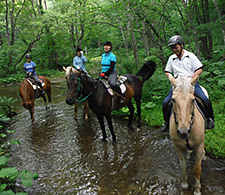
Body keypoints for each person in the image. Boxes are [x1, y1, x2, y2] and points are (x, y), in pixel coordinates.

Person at [160, 35, 214, 132]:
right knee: (165, 103)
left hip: (190, 84)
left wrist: (191, 79)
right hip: (177, 85)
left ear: (182, 45)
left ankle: (210, 119)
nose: (174, 50)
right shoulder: (171, 58)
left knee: (205, 99)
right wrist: (170, 77)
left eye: (176, 47)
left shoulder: (190, 56)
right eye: (172, 48)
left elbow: (199, 69)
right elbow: (167, 71)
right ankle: (167, 123)